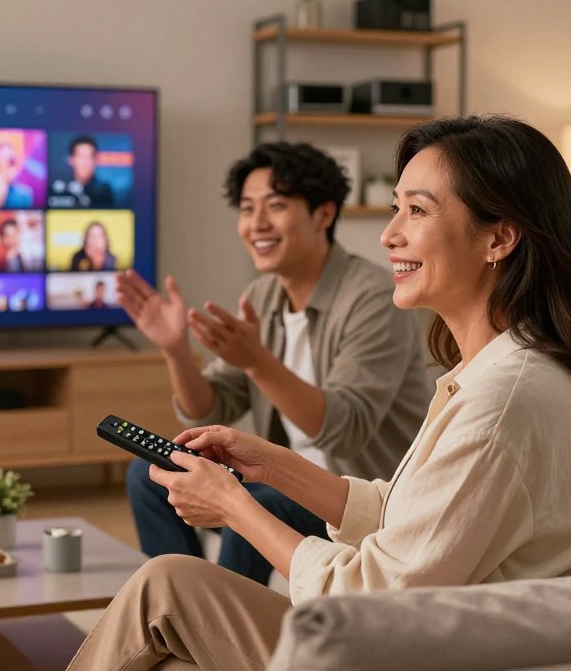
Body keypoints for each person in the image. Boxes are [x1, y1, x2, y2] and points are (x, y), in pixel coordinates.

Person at [60, 115, 571, 671]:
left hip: (427, 669)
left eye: (418, 210)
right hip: (452, 645)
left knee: (167, 586)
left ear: (498, 238)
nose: (389, 234)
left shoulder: (502, 398)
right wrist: (271, 463)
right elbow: (409, 515)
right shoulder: (504, 371)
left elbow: (371, 592)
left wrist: (232, 504)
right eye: (395, 208)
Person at [118, 142, 430, 584]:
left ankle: (219, 621)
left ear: (323, 214)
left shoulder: (373, 297)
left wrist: (259, 362)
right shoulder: (264, 297)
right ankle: (179, 596)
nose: (256, 224)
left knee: (258, 500)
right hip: (276, 477)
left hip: (351, 494)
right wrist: (175, 350)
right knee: (147, 472)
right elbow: (210, 408)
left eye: (276, 205)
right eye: (247, 209)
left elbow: (344, 426)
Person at [49, 136, 115, 208]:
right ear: (71, 160)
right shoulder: (59, 189)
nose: (85, 162)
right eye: (81, 156)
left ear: (95, 160)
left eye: (89, 157)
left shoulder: (104, 191)